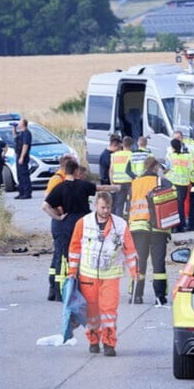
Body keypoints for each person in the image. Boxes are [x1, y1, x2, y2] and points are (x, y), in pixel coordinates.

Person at [67, 191, 138, 356]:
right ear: (95, 206)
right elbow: (74, 248)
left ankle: (109, 344)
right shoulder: (83, 223)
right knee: (91, 312)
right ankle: (93, 341)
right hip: (88, 275)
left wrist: (134, 271)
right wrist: (72, 271)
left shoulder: (120, 225)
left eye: (108, 207)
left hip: (111, 276)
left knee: (109, 312)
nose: (106, 211)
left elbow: (129, 249)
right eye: (102, 207)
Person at [42, 158, 118, 301]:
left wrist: (58, 217)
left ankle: (59, 292)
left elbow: (45, 206)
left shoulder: (60, 187)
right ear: (76, 171)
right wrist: (117, 187)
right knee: (83, 255)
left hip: (66, 223)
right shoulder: (83, 185)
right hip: (82, 222)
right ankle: (82, 289)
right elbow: (101, 188)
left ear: (64, 171)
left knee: (63, 257)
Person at [128, 156, 172, 305]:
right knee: (158, 264)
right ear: (155, 167)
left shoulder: (135, 183)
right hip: (157, 228)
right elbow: (172, 202)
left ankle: (136, 295)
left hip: (138, 227)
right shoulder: (162, 182)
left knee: (139, 263)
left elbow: (128, 206)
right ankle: (159, 296)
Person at [41, 153, 75, 300]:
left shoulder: (64, 178)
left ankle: (53, 289)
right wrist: (59, 213)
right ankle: (56, 288)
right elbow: (48, 201)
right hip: (60, 221)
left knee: (58, 255)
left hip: (62, 220)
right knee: (60, 255)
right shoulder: (57, 179)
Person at [165, 137, 192, 232]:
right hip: (184, 183)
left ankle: (175, 226)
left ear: (172, 147)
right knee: (181, 205)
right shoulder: (187, 157)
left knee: (174, 205)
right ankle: (182, 225)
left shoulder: (170, 156)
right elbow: (190, 169)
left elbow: (166, 168)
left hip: (174, 183)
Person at [109, 135, 134, 218]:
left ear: (122, 144)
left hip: (117, 182)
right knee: (130, 203)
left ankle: (118, 222)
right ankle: (130, 221)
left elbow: (111, 170)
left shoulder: (114, 155)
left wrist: (112, 183)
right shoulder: (132, 155)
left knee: (119, 205)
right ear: (131, 145)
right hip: (129, 182)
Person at [13, 119, 33, 199]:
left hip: (23, 156)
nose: (18, 123)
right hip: (18, 155)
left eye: (20, 122)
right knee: (19, 175)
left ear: (23, 124)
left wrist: (22, 157)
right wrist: (14, 127)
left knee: (24, 175)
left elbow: (25, 145)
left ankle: (27, 193)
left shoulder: (26, 133)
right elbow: (15, 136)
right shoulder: (21, 133)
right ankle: (21, 192)